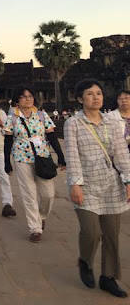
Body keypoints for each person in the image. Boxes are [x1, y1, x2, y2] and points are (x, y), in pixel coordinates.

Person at [65, 79, 130, 298]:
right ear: (80, 99)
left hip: (112, 185)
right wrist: (75, 184)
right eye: (90, 94)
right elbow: (72, 156)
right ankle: (85, 261)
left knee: (111, 234)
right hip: (87, 185)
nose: (96, 97)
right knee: (91, 232)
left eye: (99, 93)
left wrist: (129, 180)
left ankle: (108, 277)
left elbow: (121, 155)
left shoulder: (112, 123)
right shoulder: (73, 123)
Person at [4, 85, 66, 243]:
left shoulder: (41, 114)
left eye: (30, 96)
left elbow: (51, 136)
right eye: (24, 96)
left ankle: (41, 216)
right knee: (29, 193)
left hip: (42, 157)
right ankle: (35, 228)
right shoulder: (12, 117)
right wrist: (7, 161)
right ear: (17, 100)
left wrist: (60, 155)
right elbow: (8, 140)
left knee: (48, 194)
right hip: (21, 158)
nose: (28, 99)